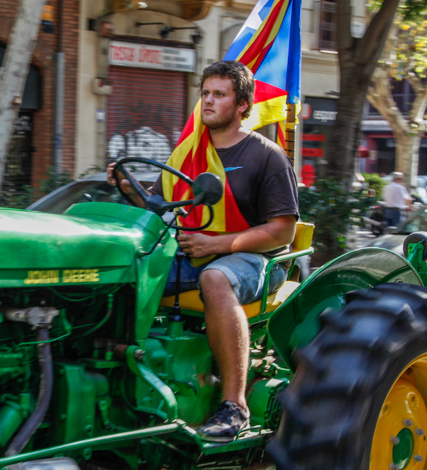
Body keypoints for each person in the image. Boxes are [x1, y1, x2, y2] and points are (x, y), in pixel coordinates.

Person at [107, 60, 298, 442]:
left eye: (219, 95)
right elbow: (161, 210)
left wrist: (219, 244)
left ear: (242, 104)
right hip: (190, 251)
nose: (208, 102)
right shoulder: (186, 154)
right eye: (205, 93)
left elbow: (283, 231)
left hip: (256, 260)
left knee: (215, 277)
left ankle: (234, 406)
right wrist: (129, 190)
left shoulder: (266, 155)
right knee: (123, 273)